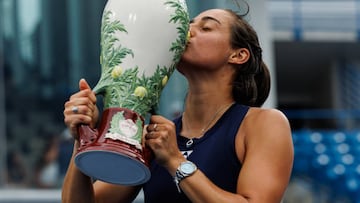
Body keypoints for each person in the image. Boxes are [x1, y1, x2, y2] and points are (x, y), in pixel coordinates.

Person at [62, 7, 294, 203]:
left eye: (206, 27)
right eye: (188, 23)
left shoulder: (263, 123)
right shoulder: (153, 138)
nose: (185, 30)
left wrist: (175, 161)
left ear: (238, 55)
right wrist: (84, 135)